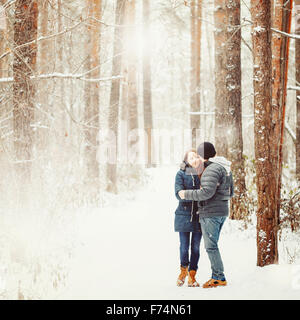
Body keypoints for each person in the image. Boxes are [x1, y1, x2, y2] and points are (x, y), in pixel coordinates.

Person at [178, 142, 234, 288]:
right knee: (213, 245)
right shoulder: (225, 167)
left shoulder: (211, 169)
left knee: (211, 247)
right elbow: (231, 192)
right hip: (222, 211)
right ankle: (217, 275)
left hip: (211, 213)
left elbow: (206, 193)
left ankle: (218, 277)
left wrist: (186, 194)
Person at [174, 149, 203, 287]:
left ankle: (192, 275)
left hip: (199, 216)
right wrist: (197, 194)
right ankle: (183, 271)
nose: (194, 158)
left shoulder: (201, 173)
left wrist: (189, 194)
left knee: (196, 248)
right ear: (185, 159)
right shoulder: (180, 174)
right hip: (183, 216)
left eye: (196, 156)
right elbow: (179, 194)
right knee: (184, 247)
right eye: (191, 157)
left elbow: (207, 193)